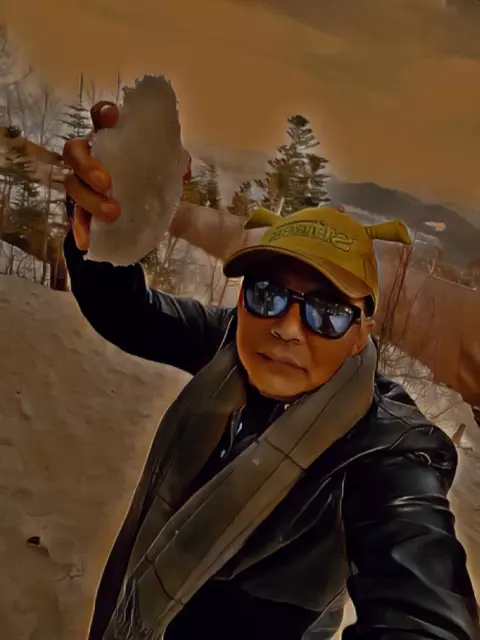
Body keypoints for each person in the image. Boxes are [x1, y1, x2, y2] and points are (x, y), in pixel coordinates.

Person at [62, 102, 479, 640]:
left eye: (326, 312)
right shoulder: (230, 343)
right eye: (266, 294)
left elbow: (422, 606)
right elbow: (130, 313)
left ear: (361, 334)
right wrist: (104, 234)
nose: (285, 327)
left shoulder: (385, 445)